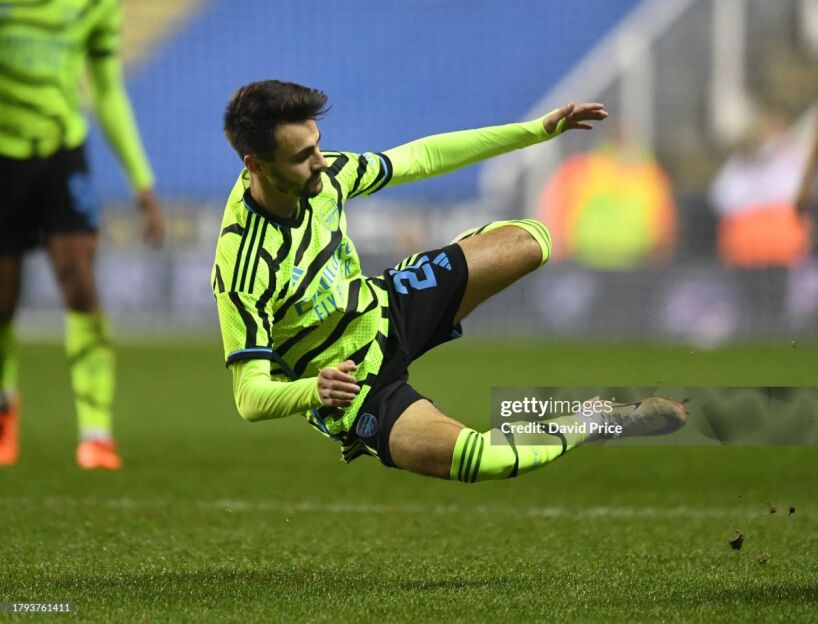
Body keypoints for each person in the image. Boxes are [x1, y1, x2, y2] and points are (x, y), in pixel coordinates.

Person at [212, 80, 686, 483]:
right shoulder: (243, 268)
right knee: (482, 459)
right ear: (256, 165)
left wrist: (536, 131)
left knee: (532, 241)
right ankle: (594, 419)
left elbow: (420, 157)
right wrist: (315, 389)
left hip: (388, 306)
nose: (320, 161)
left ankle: (440, 264)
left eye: (317, 145)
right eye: (302, 156)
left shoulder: (326, 175)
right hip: (354, 390)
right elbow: (249, 398)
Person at [0, 0, 164, 469]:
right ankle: (4, 409)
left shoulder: (95, 5)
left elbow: (107, 89)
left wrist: (142, 182)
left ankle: (96, 433)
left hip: (61, 152)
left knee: (79, 281)